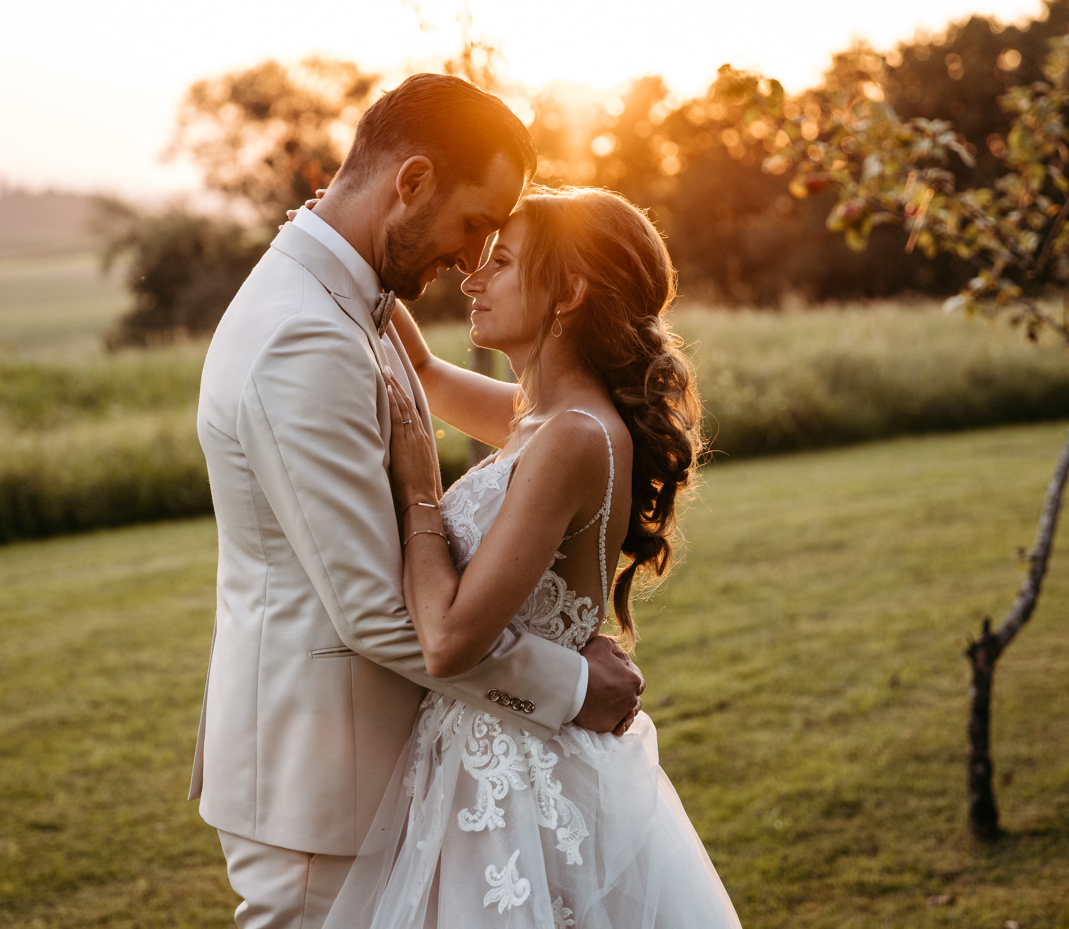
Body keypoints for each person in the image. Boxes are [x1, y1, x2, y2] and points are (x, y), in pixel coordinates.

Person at [190, 73, 646, 929]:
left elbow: (510, 415)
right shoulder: (306, 336)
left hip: (394, 768)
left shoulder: (350, 302)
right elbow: (374, 614)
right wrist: (572, 685)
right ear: (411, 181)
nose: (473, 260)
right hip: (324, 787)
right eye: (475, 225)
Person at [322, 186, 742, 927]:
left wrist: (421, 491)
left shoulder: (573, 435)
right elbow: (420, 370)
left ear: (570, 292)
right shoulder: (540, 420)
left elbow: (450, 641)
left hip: (516, 777)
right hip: (481, 754)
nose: (472, 279)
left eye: (503, 262)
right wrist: (343, 233)